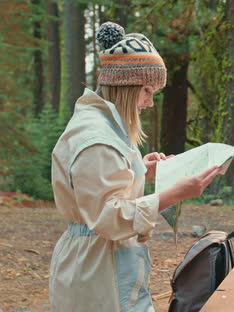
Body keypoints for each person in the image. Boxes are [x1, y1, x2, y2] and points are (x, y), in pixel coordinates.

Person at [49, 22, 221, 312]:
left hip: (102, 264)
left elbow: (100, 184)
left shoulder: (103, 127)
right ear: (126, 86)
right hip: (96, 275)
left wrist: (140, 169)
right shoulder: (96, 140)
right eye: (147, 90)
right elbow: (108, 216)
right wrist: (173, 194)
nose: (149, 102)